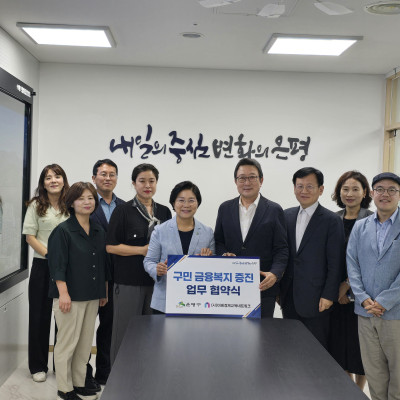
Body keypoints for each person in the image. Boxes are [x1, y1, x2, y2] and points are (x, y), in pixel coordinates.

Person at [48, 182, 111, 400]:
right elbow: (57, 265)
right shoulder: (63, 231)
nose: (87, 202)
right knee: (67, 343)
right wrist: (63, 294)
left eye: (90, 198)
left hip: (92, 295)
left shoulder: (98, 230)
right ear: (72, 203)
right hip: (70, 296)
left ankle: (79, 381)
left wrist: (103, 291)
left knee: (84, 344)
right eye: (81, 198)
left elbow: (102, 263)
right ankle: (64, 388)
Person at [106, 163, 171, 362]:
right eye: (142, 181)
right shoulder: (123, 211)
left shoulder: (165, 212)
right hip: (129, 282)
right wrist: (141, 250)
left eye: (152, 181)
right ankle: (119, 376)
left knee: (153, 335)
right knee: (125, 334)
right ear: (134, 183)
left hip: (157, 283)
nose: (147, 185)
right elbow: (111, 247)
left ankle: (147, 376)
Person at [347, 172, 400, 400]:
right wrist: (363, 298)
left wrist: (384, 301)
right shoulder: (360, 226)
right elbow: (352, 263)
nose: (385, 194)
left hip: (396, 313)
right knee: (374, 373)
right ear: (372, 193)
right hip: (365, 311)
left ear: (399, 194)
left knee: (398, 375)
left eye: (392, 190)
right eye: (380, 189)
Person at [214, 158, 288, 318]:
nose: (247, 182)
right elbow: (218, 241)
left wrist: (275, 274)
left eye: (252, 177)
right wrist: (223, 254)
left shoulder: (274, 209)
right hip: (231, 286)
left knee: (262, 332)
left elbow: (281, 248)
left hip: (262, 287)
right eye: (242, 178)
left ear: (261, 180)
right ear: (235, 181)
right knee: (230, 331)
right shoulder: (225, 208)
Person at [280, 167, 345, 349]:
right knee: (289, 348)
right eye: (299, 186)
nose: (304, 191)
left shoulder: (332, 220)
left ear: (321, 190)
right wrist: (279, 290)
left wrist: (329, 295)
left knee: (315, 350)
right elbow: (282, 255)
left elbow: (336, 262)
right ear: (294, 188)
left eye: (310, 186)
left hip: (318, 299)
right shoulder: (286, 216)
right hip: (289, 296)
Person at [22, 164, 70, 383]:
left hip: (68, 268)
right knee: (39, 316)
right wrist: (51, 255)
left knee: (65, 318)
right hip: (43, 265)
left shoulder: (71, 204)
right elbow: (30, 237)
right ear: (43, 183)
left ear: (63, 180)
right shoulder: (35, 205)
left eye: (57, 176)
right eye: (48, 178)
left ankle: (61, 365)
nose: (53, 181)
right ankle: (38, 366)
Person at [329, 171, 372, 390]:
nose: (350, 194)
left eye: (355, 189)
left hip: (362, 294)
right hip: (334, 293)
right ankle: (349, 391)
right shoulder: (332, 218)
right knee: (338, 347)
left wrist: (347, 287)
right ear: (339, 192)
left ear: (365, 193)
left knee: (360, 347)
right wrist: (336, 290)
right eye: (345, 189)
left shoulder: (372, 219)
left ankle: (359, 391)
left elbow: (369, 259)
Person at [144, 181, 215, 313]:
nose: (186, 205)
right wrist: (157, 269)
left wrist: (209, 259)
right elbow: (148, 261)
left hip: (198, 301)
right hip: (164, 301)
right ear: (173, 203)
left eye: (191, 200)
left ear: (198, 203)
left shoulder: (207, 232)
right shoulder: (160, 231)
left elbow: (214, 267)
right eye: (181, 200)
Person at [85, 159, 125, 389]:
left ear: (117, 178)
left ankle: (104, 372)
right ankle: (83, 373)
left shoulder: (125, 206)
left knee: (109, 325)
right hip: (90, 274)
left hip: (117, 275)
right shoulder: (86, 203)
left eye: (112, 174)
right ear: (94, 178)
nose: (107, 178)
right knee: (85, 327)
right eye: (103, 174)